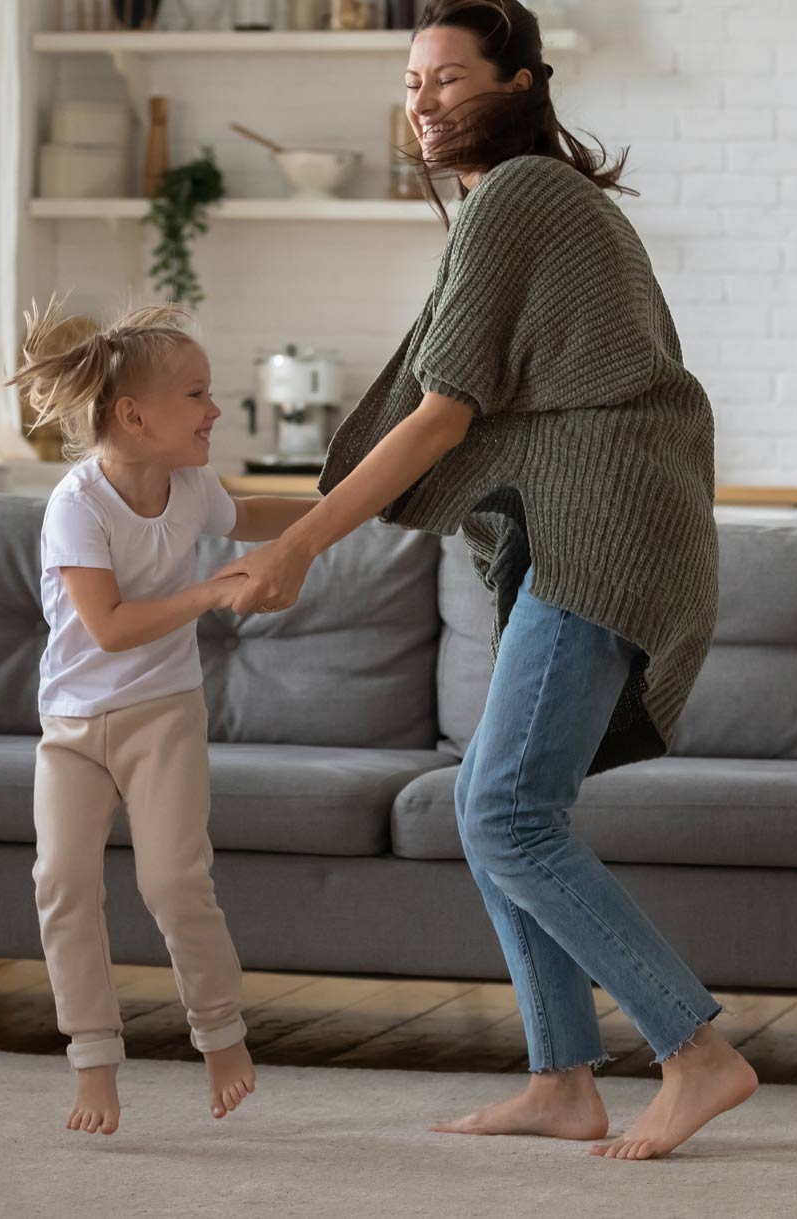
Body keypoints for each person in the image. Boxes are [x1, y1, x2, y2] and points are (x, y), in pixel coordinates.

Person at [213, 0, 758, 1161]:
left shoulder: (518, 196)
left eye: (449, 79)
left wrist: (301, 544)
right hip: (601, 525)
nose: (423, 102)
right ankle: (563, 1079)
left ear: (518, 84)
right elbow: (449, 424)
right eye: (412, 82)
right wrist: (238, 514)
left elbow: (442, 416)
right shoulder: (528, 202)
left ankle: (694, 1052)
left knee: (501, 808)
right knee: (504, 808)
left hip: (600, 532)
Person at [6, 300, 316, 1135]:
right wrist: (212, 591)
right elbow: (106, 627)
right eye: (197, 394)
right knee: (62, 883)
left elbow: (246, 514)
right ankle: (94, 1059)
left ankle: (221, 1037)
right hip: (74, 728)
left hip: (163, 717)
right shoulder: (78, 505)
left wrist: (339, 511)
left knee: (173, 880)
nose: (215, 409)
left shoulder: (190, 487)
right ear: (134, 416)